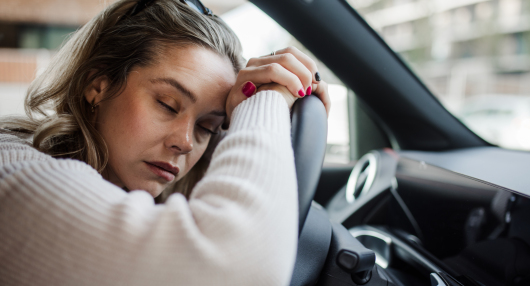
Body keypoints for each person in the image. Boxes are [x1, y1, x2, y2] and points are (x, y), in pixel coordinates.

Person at [0, 0, 330, 285]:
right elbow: (235, 263)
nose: (185, 142)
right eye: (167, 105)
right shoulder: (15, 177)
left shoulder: (143, 192)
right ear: (97, 85)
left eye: (208, 127)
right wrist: (265, 103)